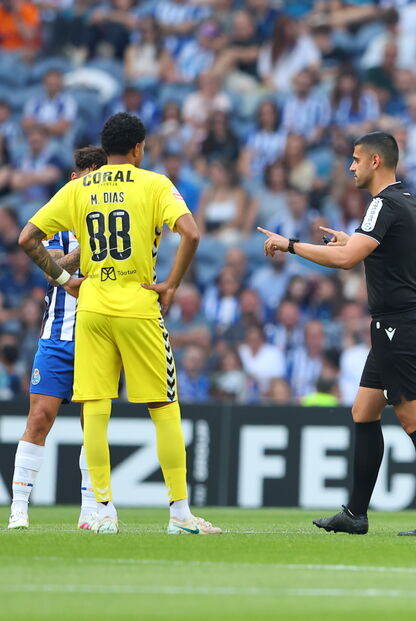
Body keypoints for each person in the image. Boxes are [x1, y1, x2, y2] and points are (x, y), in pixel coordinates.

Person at [17, 113, 220, 536]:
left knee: (95, 408)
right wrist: (171, 285)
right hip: (138, 304)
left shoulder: (79, 187)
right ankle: (180, 514)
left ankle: (103, 512)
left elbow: (27, 238)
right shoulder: (155, 184)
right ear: (138, 148)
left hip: (92, 308)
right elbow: (191, 233)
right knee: (163, 406)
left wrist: (64, 280)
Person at [258, 131, 416, 537]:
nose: (350, 167)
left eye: (355, 159)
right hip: (399, 323)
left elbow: (348, 261)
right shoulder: (407, 201)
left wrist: (290, 245)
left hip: (399, 325)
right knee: (364, 412)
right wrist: (350, 240)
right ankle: (355, 513)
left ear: (375, 161)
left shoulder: (383, 203)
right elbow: (383, 252)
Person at [7, 146, 107, 531]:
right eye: (90, 178)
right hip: (58, 336)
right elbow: (52, 270)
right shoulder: (56, 220)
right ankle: (19, 508)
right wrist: (90, 246)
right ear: (75, 179)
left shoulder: (116, 220)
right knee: (39, 418)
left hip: (100, 336)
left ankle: (90, 511)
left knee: (92, 425)